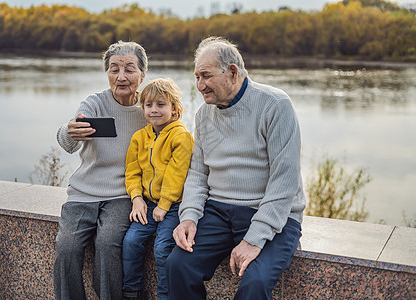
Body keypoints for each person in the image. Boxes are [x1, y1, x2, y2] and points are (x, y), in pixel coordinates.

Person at [167, 36, 306, 300]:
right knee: (178, 266)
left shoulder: (275, 105)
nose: (199, 85)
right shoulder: (204, 114)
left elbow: (284, 182)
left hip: (273, 213)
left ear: (232, 72)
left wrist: (254, 239)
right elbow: (198, 174)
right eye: (196, 77)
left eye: (205, 76)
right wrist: (188, 217)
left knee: (255, 283)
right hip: (218, 211)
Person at [54, 41, 148, 300]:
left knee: (107, 244)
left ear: (142, 74)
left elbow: (173, 136)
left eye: (129, 69)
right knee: (67, 246)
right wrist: (69, 130)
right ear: (106, 72)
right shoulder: (94, 103)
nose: (121, 77)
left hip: (122, 194)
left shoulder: (149, 109)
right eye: (114, 69)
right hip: (84, 193)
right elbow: (68, 142)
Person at [122, 78, 194, 300]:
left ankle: (166, 295)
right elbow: (132, 171)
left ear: (174, 108)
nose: (154, 110)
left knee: (163, 248)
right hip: (147, 203)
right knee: (131, 242)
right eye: (149, 105)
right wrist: (136, 198)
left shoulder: (180, 136)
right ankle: (132, 291)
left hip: (174, 206)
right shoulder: (139, 137)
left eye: (161, 104)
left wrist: (164, 204)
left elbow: (177, 174)